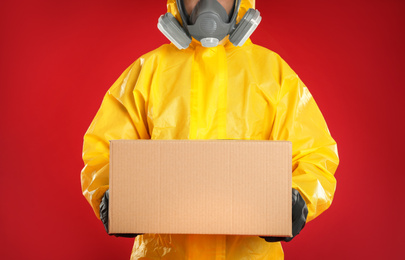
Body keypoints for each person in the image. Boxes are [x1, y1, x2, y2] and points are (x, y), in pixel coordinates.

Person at [81, 0, 339, 259]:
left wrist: (298, 199)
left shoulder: (273, 75)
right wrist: (110, 194)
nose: (209, 3)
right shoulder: (148, 73)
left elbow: (316, 154)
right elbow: (103, 151)